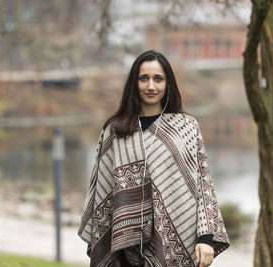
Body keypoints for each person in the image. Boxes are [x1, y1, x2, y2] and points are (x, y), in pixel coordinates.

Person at [78, 50, 229, 267]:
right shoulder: (115, 130)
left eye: (158, 79)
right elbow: (100, 191)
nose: (151, 86)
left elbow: (202, 183)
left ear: (168, 83)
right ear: (134, 83)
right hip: (125, 251)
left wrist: (205, 237)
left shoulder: (186, 127)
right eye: (144, 78)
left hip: (174, 246)